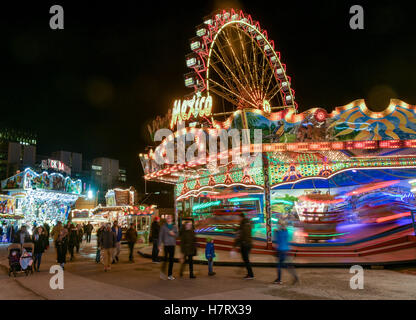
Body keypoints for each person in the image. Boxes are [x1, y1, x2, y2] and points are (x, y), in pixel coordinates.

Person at [274, 219, 298, 285]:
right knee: (286, 265)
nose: (277, 225)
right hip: (286, 250)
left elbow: (276, 240)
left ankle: (279, 279)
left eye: (278, 224)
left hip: (280, 250)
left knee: (279, 266)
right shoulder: (286, 232)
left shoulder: (278, 232)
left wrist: (276, 232)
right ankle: (295, 276)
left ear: (280, 225)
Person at [234, 213, 254, 279]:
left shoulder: (243, 224)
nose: (238, 219)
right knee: (246, 259)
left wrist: (235, 245)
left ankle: (250, 274)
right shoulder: (247, 223)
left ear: (241, 217)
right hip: (249, 243)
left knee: (246, 259)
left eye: (239, 218)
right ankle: (249, 273)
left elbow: (241, 235)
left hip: (244, 243)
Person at [158, 215, 178, 280]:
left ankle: (170, 275)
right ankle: (162, 272)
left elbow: (177, 234)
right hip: (166, 245)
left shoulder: (174, 226)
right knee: (165, 259)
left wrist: (174, 234)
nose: (168, 219)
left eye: (169, 218)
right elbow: (160, 236)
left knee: (171, 260)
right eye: (167, 218)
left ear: (172, 219)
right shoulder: (163, 227)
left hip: (172, 245)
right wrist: (159, 245)